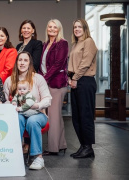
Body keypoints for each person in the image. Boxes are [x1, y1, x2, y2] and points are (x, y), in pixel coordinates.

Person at [4, 51, 52, 170]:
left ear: (29, 63)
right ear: (16, 62)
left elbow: (48, 99)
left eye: (25, 60)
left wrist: (37, 105)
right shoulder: (9, 80)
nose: (22, 63)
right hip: (19, 113)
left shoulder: (38, 78)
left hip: (38, 114)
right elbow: (5, 101)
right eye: (20, 60)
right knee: (17, 119)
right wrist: (12, 105)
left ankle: (38, 157)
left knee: (32, 121)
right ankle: (14, 154)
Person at [68, 19, 97, 159]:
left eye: (79, 27)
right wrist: (70, 77)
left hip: (85, 81)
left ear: (85, 28)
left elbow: (85, 63)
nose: (77, 29)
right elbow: (72, 64)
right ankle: (83, 145)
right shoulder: (75, 44)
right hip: (76, 81)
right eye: (75, 27)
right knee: (76, 117)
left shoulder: (89, 42)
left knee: (85, 115)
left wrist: (75, 78)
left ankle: (88, 147)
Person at [39, 19, 69, 155]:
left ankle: (53, 148)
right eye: (49, 27)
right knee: (56, 116)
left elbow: (58, 65)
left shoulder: (62, 43)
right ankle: (61, 144)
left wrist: (43, 79)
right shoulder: (46, 44)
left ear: (59, 29)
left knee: (53, 116)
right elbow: (43, 65)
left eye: (54, 27)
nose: (52, 29)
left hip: (57, 84)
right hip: (48, 82)